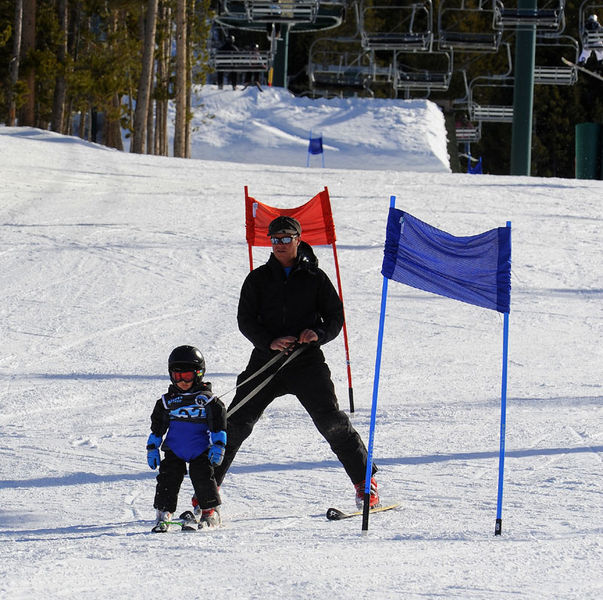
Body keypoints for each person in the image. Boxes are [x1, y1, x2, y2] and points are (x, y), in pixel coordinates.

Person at [211, 216, 379, 509]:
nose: (279, 244)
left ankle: (365, 485)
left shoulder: (316, 278)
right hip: (267, 362)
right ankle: (208, 491)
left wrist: (319, 333)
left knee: (331, 421)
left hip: (306, 361)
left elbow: (335, 317)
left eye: (286, 238)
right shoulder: (258, 278)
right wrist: (268, 341)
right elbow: (245, 320)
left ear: (298, 240)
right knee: (235, 422)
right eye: (274, 239)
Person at [147, 345, 227, 532]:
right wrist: (152, 447)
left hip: (200, 449)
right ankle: (164, 512)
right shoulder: (167, 402)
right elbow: (158, 427)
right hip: (174, 448)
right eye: (177, 376)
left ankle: (209, 511)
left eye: (187, 376)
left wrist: (218, 445)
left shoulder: (208, 401)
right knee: (168, 478)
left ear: (199, 373)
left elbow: (218, 424)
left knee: (203, 477)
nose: (182, 381)